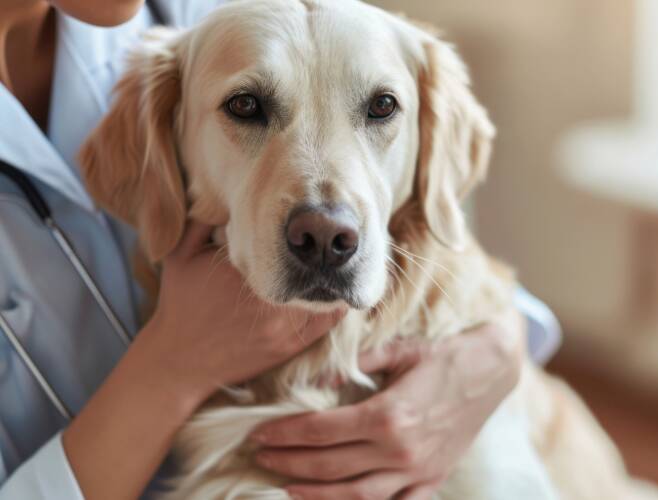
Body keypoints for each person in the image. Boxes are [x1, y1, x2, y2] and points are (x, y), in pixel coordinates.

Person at [0, 1, 562, 498]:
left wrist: (498, 345)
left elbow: (451, 248)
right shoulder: (183, 63)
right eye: (248, 108)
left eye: (380, 109)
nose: (328, 222)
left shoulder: (200, 16)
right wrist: (172, 366)